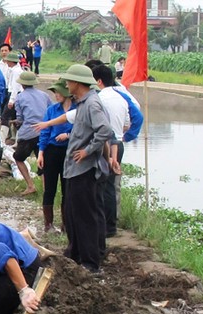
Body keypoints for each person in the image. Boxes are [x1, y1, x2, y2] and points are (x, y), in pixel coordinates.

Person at [60, 64, 112, 273]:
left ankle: (90, 262)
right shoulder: (83, 103)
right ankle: (76, 253)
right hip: (75, 169)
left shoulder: (92, 104)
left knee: (85, 216)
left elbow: (105, 130)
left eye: (68, 81)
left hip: (84, 169)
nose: (66, 84)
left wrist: (87, 151)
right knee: (72, 213)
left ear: (77, 83)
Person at [91, 64, 129, 239]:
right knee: (111, 186)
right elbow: (127, 124)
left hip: (105, 144)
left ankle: (105, 226)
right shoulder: (121, 98)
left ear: (98, 81)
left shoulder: (99, 99)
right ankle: (111, 225)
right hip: (119, 143)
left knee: (102, 186)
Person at [37, 79, 73, 232]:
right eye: (54, 93)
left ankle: (66, 224)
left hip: (69, 152)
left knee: (67, 189)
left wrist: (68, 135)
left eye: (58, 92)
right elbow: (45, 131)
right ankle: (48, 224)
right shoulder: (52, 110)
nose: (56, 95)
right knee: (49, 188)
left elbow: (83, 129)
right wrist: (41, 152)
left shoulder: (78, 109)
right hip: (52, 151)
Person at [12, 71, 51, 196]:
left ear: (22, 84)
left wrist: (16, 123)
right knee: (43, 161)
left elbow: (20, 118)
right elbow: (51, 111)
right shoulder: (44, 95)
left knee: (18, 157)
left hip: (29, 132)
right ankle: (46, 190)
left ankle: (30, 185)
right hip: (45, 131)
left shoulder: (20, 97)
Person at [1, 52, 24, 143]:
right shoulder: (15, 70)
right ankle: (18, 140)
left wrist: (11, 100)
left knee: (5, 117)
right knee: (16, 117)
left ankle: (2, 140)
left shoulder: (15, 71)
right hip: (16, 94)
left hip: (14, 95)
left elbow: (15, 87)